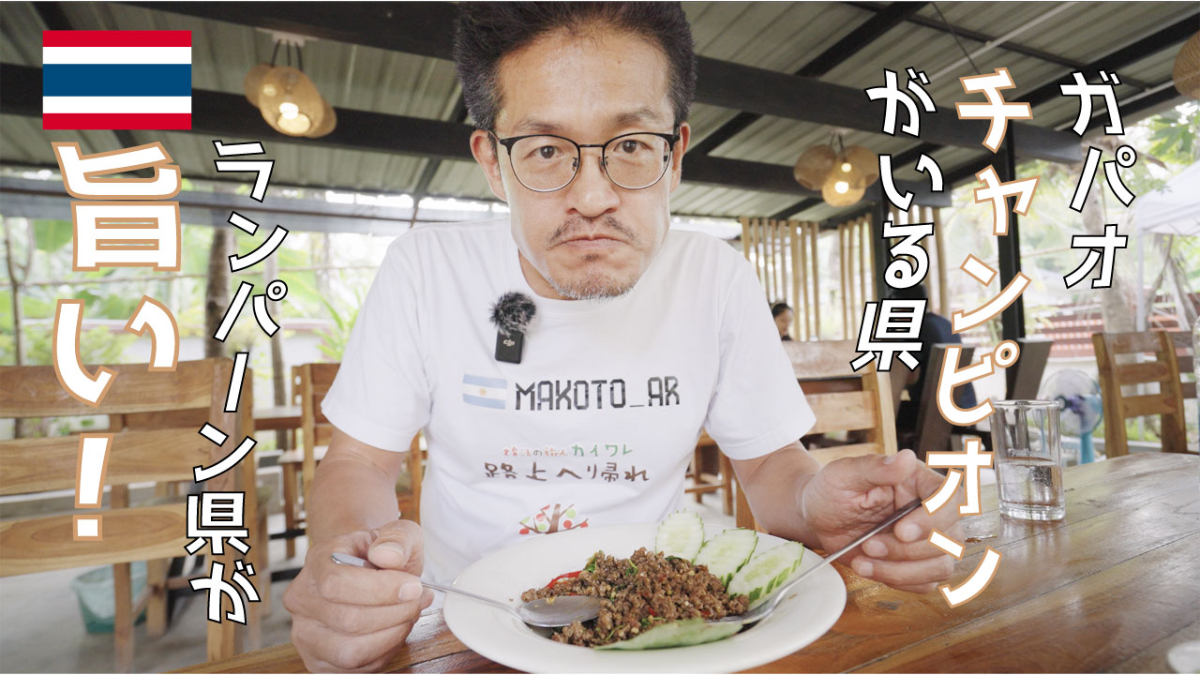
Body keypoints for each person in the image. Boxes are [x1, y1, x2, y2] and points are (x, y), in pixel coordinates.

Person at [282, 4, 963, 671]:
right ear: (493, 163)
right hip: (466, 632)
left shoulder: (713, 277)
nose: (592, 197)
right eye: (546, 150)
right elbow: (359, 462)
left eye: (631, 146)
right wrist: (350, 569)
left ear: (675, 155)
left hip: (661, 624)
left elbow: (768, 466)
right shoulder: (426, 271)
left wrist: (817, 506)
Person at [892, 283, 978, 436]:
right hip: (966, 405)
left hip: (935, 412)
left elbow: (909, 377)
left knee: (881, 412)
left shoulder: (917, 329)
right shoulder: (945, 323)